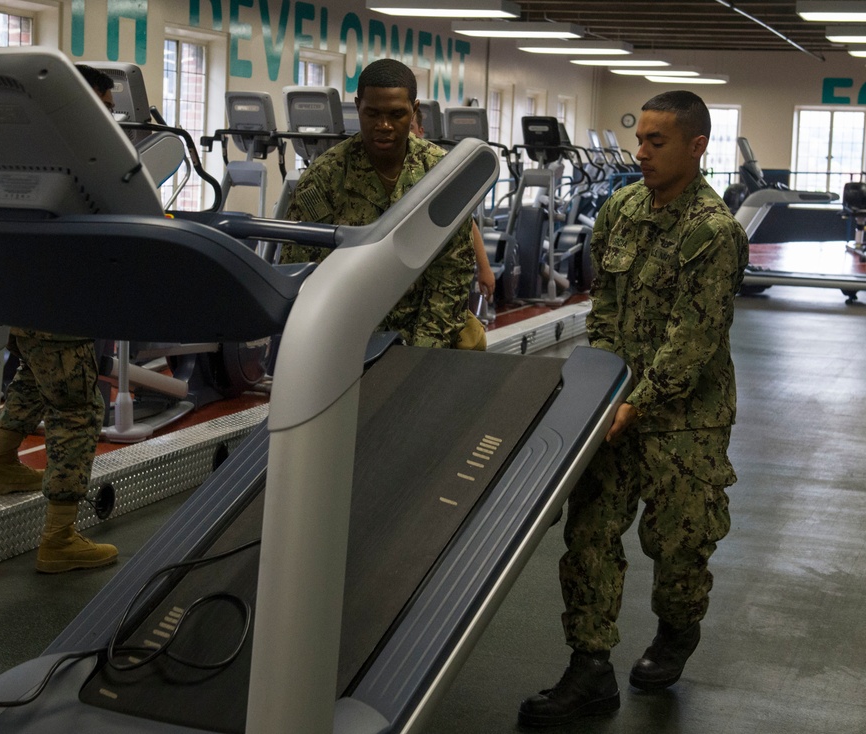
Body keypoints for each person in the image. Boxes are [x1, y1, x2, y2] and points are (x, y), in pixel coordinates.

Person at [517, 90, 748, 727]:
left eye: (656, 142)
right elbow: (608, 312)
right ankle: (589, 669)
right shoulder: (620, 209)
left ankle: (676, 631)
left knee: (678, 549)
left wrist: (636, 405)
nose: (641, 153)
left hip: (686, 422)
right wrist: (603, 387)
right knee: (588, 533)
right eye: (639, 140)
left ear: (697, 146)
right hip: (616, 406)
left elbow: (692, 344)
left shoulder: (713, 233)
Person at [0, 63, 118, 574]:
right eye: (101, 109)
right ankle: (59, 538)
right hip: (57, 298)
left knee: (35, 380)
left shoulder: (19, 147)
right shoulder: (78, 157)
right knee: (77, 408)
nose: (107, 120)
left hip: (19, 295)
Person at [279, 58, 477, 349]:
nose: (384, 125)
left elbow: (452, 269)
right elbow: (301, 269)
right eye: (372, 113)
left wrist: (422, 351)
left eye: (397, 114)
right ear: (358, 106)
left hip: (427, 339)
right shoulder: (324, 177)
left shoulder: (441, 174)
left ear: (415, 110)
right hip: (344, 340)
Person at [409, 107, 497, 306]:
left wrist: (485, 268)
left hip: (436, 275)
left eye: (410, 127)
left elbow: (466, 222)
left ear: (421, 132)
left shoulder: (438, 170)